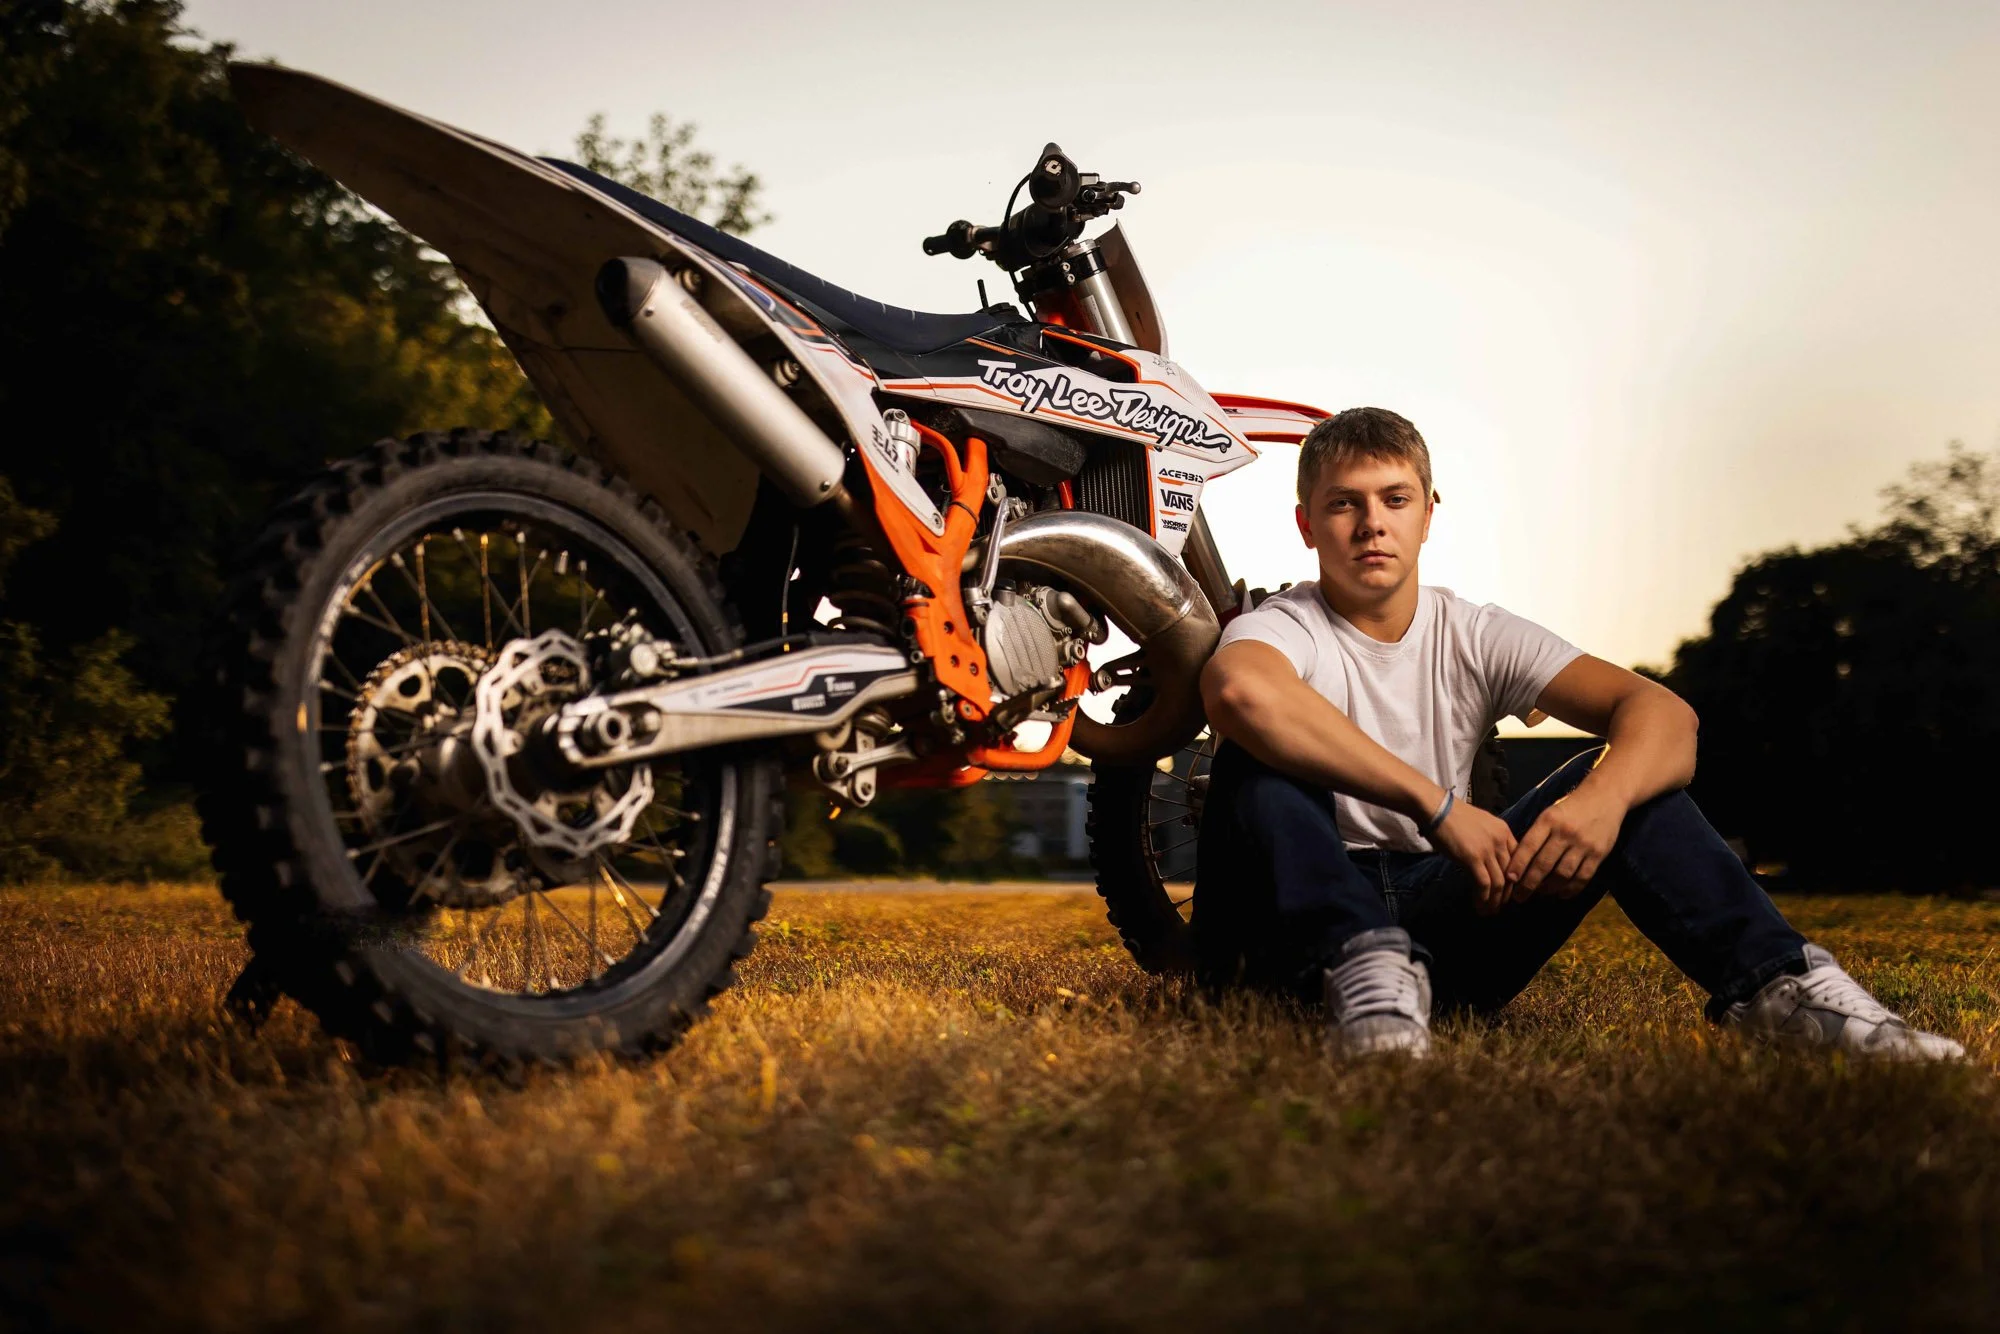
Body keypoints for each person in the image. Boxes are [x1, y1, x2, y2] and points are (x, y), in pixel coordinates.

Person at [1195, 406, 1962, 1061]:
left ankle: (1785, 991)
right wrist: (1438, 806)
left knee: (1631, 778)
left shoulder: (1475, 632)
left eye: (1394, 499)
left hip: (1445, 923)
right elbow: (1240, 691)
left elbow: (1666, 718)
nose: (1371, 525)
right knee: (1259, 757)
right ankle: (1362, 962)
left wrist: (1601, 801)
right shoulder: (1282, 626)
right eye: (1343, 504)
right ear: (1305, 524)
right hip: (1288, 938)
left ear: (1428, 512)